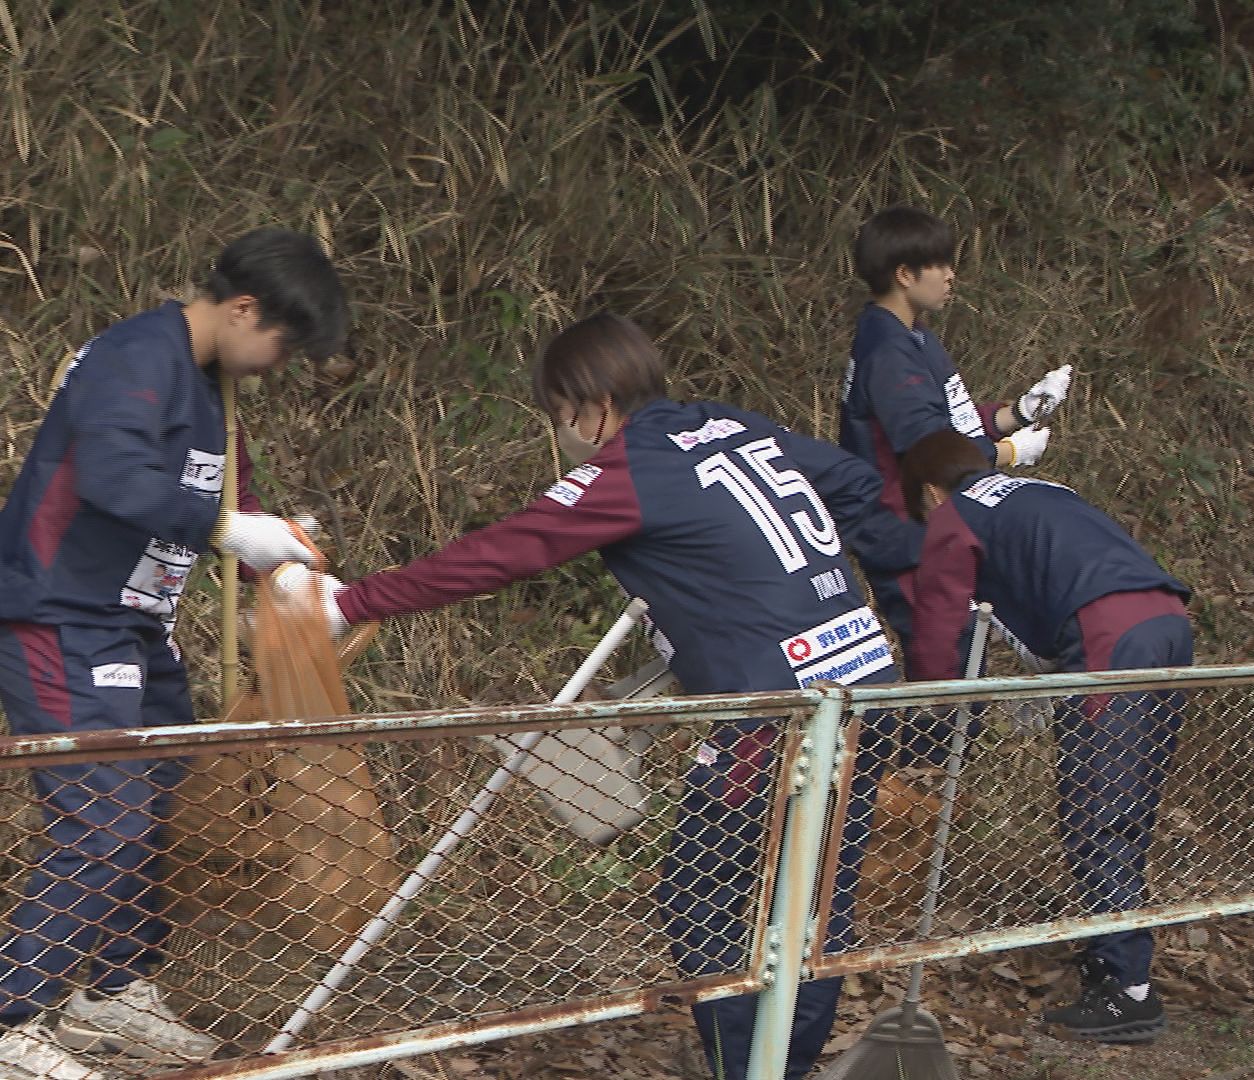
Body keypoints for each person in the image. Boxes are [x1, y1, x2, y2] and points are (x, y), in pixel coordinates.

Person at [277, 313, 914, 1080]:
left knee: (703, 892)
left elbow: (502, 552)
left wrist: (352, 603)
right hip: (866, 681)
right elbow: (854, 482)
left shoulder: (629, 468)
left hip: (776, 712)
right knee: (812, 899)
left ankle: (754, 1065)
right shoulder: (730, 424)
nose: (564, 434)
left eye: (559, 416)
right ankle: (778, 1058)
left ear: (590, 404)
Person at [0, 227, 346, 1080]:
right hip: (61, 617)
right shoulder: (135, 357)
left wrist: (279, 557)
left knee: (156, 800)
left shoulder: (208, 385)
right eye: (281, 342)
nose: (277, 362)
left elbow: (220, 492)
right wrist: (235, 531)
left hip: (135, 625)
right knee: (103, 817)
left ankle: (114, 993)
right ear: (241, 309)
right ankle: (11, 1019)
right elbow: (116, 478)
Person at [899, 429, 1189, 1044]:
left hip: (1109, 637)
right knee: (1127, 805)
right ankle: (1112, 952)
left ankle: (1128, 992)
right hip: (1164, 622)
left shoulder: (958, 513)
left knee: (1096, 813)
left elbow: (937, 625)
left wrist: (928, 713)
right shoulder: (1040, 490)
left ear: (930, 490)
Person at [838, 205, 1071, 665]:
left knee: (964, 657)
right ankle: (932, 737)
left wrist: (1016, 413)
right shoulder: (889, 352)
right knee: (946, 660)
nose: (950, 275)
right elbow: (931, 451)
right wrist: (1008, 453)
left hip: (927, 529)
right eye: (939, 265)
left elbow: (950, 421)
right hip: (902, 529)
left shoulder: (913, 337)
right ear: (905, 274)